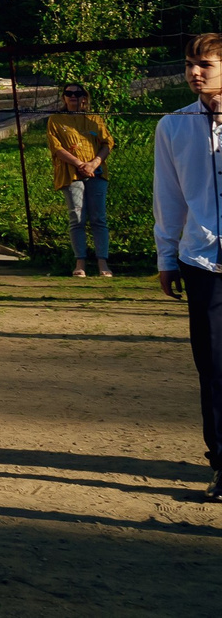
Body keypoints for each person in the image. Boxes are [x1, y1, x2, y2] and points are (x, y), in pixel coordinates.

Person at [153, 31, 222, 503]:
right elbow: (169, 198)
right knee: (214, 366)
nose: (195, 72)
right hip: (202, 261)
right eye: (189, 64)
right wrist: (166, 256)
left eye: (206, 65)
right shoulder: (173, 127)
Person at [47, 83, 119, 279]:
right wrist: (80, 164)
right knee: (77, 218)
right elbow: (56, 147)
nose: (73, 96)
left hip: (97, 172)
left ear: (84, 98)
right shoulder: (56, 119)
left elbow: (107, 143)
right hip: (71, 173)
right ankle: (80, 262)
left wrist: (94, 163)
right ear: (63, 98)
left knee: (98, 218)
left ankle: (102, 262)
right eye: (68, 93)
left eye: (77, 94)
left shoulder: (95, 119)